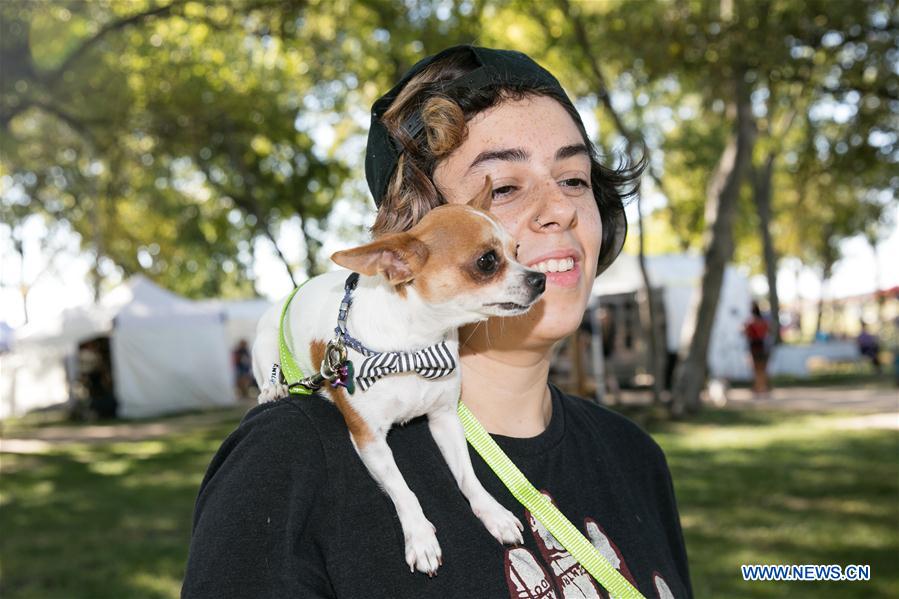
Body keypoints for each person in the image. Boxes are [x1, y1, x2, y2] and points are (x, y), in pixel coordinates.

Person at [182, 45, 693, 598]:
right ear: (407, 249)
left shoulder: (635, 457)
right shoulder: (289, 461)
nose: (561, 208)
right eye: (503, 187)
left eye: (574, 179)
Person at [743, 301, 771, 398]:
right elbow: (767, 332)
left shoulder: (751, 322)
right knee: (762, 369)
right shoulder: (763, 322)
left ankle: (758, 387)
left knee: (756, 369)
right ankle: (762, 387)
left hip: (754, 347)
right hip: (763, 346)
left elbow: (746, 333)